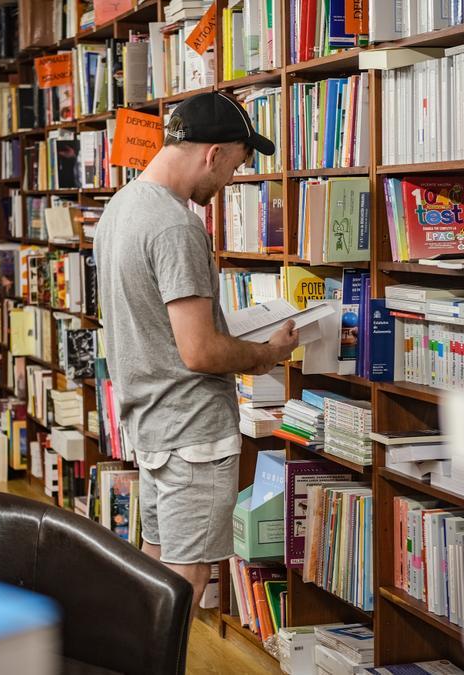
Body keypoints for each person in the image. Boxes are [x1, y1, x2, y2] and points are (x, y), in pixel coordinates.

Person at [94, 91, 299, 618]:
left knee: (157, 572)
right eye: (235, 164)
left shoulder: (121, 206)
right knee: (184, 584)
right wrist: (263, 354)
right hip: (193, 433)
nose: (230, 180)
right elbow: (201, 351)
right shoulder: (176, 225)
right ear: (213, 154)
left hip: (152, 426)